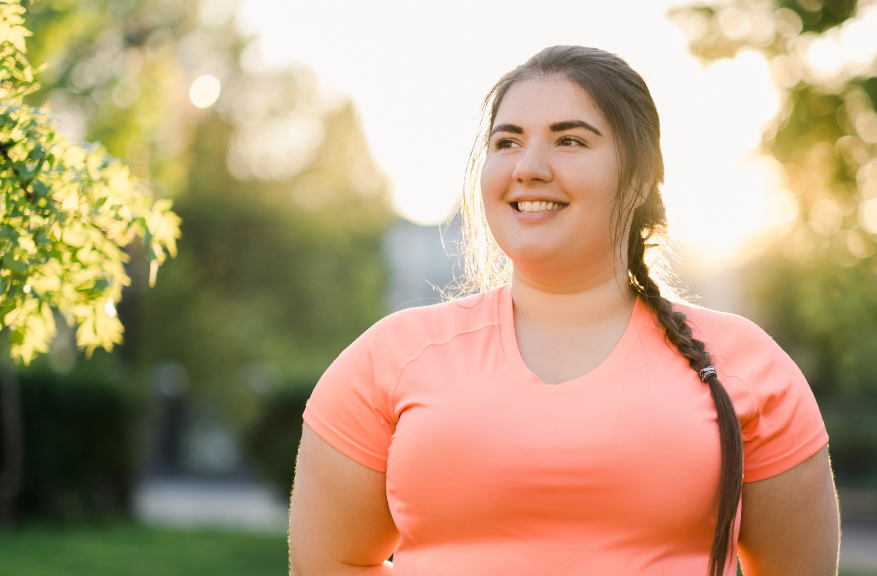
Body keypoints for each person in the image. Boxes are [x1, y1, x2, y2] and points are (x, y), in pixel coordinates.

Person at [289, 45, 840, 576]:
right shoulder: (388, 359)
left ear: (643, 175)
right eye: (506, 143)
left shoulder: (746, 367)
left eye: (569, 141)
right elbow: (328, 564)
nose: (528, 167)